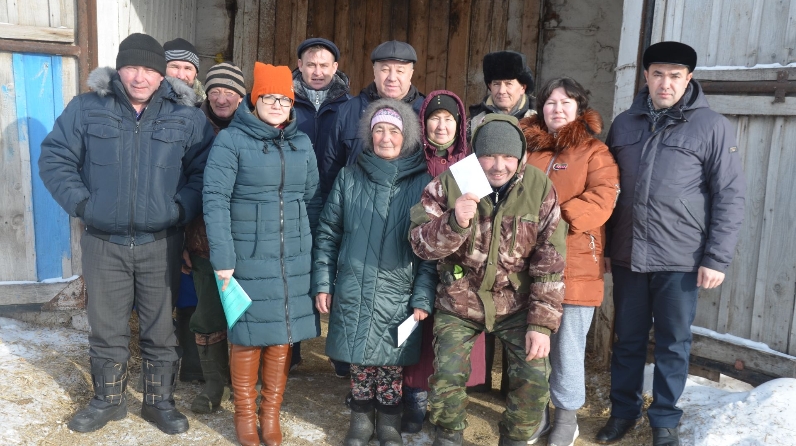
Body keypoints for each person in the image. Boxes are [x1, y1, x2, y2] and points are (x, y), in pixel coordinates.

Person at [38, 33, 215, 435]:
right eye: (132, 67)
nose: (140, 78)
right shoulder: (87, 108)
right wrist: (84, 206)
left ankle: (159, 403)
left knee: (160, 328)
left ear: (161, 75)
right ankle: (107, 401)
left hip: (160, 243)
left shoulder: (186, 116)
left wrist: (180, 209)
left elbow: (204, 172)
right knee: (107, 326)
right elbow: (55, 158)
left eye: (150, 70)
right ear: (119, 69)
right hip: (104, 243)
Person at [597, 41, 745, 446]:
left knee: (672, 342)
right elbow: (607, 189)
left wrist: (716, 258)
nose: (665, 83)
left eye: (675, 76)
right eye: (658, 74)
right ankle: (623, 412)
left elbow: (729, 195)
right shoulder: (625, 123)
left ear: (689, 79)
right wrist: (607, 247)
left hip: (680, 257)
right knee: (626, 339)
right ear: (645, 76)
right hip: (628, 254)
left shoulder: (711, 126)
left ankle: (664, 420)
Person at [409, 114, 567, 446]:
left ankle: (515, 439)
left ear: (520, 156)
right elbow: (419, 244)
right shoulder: (451, 183)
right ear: (475, 155)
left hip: (517, 302)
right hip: (459, 297)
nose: (499, 165)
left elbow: (550, 261)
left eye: (508, 156)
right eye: (489, 156)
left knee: (534, 379)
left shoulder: (539, 188)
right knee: (448, 376)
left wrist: (541, 325)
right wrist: (454, 222)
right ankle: (448, 436)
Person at [202, 62, 322, 446]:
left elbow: (311, 196)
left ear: (292, 103)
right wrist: (223, 257)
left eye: (284, 98)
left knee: (283, 336)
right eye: (269, 97)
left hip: (293, 255)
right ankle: (244, 414)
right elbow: (215, 199)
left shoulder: (301, 142)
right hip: (248, 254)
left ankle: (270, 414)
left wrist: (312, 247)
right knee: (248, 336)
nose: (277, 104)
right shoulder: (232, 141)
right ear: (255, 100)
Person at [312, 99, 437, 446]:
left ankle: (388, 423)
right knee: (360, 359)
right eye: (378, 129)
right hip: (354, 283)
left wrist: (423, 295)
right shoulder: (349, 177)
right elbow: (327, 233)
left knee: (392, 363)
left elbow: (429, 251)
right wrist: (323, 282)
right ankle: (361, 420)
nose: (385, 137)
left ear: (406, 135)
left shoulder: (423, 183)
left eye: (393, 130)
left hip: (400, 289)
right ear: (369, 134)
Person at [520, 77, 620, 446]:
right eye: (550, 102)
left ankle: (566, 417)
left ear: (579, 107)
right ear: (540, 107)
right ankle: (536, 411)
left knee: (566, 347)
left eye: (565, 102)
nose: (557, 109)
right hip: (526, 263)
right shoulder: (528, 148)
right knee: (530, 342)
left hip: (576, 263)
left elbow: (603, 198)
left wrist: (555, 217)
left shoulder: (595, 152)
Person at [401, 89, 485, 434]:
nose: (440, 125)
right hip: (418, 258)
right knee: (419, 334)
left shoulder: (469, 164)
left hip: (461, 267)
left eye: (448, 119)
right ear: (423, 122)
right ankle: (415, 397)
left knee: (453, 338)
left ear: (459, 123)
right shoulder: (412, 161)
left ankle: (449, 405)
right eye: (434, 118)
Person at [182, 62, 246, 414]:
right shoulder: (192, 126)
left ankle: (243, 385)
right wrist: (182, 241)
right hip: (202, 241)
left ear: (241, 96)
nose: (222, 98)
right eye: (216, 91)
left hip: (245, 244)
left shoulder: (254, 127)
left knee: (243, 318)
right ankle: (212, 386)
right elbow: (181, 185)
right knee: (207, 317)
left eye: (230, 92)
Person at [291, 37, 351, 371]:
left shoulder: (348, 105)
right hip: (294, 201)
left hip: (335, 198)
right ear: (299, 66)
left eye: (324, 65)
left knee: (339, 273)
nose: (317, 71)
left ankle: (341, 355)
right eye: (310, 64)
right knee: (295, 272)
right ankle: (291, 348)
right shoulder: (283, 101)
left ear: (335, 68)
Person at [468, 50, 536, 139]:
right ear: (490, 86)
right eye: (496, 84)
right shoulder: (474, 120)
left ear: (522, 88)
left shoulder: (539, 117)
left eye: (508, 84)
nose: (501, 91)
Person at [164, 38, 205, 103]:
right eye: (175, 67)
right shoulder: (149, 98)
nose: (181, 76)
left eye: (187, 68)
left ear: (196, 74)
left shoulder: (209, 102)